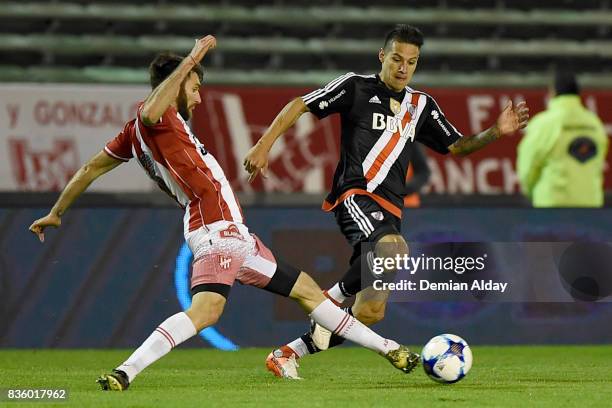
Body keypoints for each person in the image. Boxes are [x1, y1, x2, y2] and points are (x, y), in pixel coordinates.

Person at [28, 35, 420, 390]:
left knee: (308, 293)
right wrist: (192, 58)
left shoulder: (133, 134)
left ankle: (391, 350)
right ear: (177, 83)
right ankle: (126, 371)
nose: (199, 98)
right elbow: (151, 109)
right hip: (215, 231)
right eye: (195, 88)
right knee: (207, 311)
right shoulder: (155, 117)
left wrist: (57, 211)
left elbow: (89, 168)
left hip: (238, 237)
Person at [243, 24, 529, 379]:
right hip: (355, 194)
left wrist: (496, 133)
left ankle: (288, 353)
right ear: (382, 56)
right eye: (397, 58)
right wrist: (263, 145)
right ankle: (330, 297)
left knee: (370, 311)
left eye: (411, 61)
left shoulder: (421, 105)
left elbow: (456, 145)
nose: (403, 67)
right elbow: (300, 104)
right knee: (395, 250)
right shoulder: (355, 87)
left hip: (391, 213)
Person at [517, 70, 608, 207]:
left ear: (552, 92)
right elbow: (598, 163)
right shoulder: (595, 124)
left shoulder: (544, 124)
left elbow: (527, 168)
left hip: (552, 208)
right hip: (591, 208)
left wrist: (531, 192)